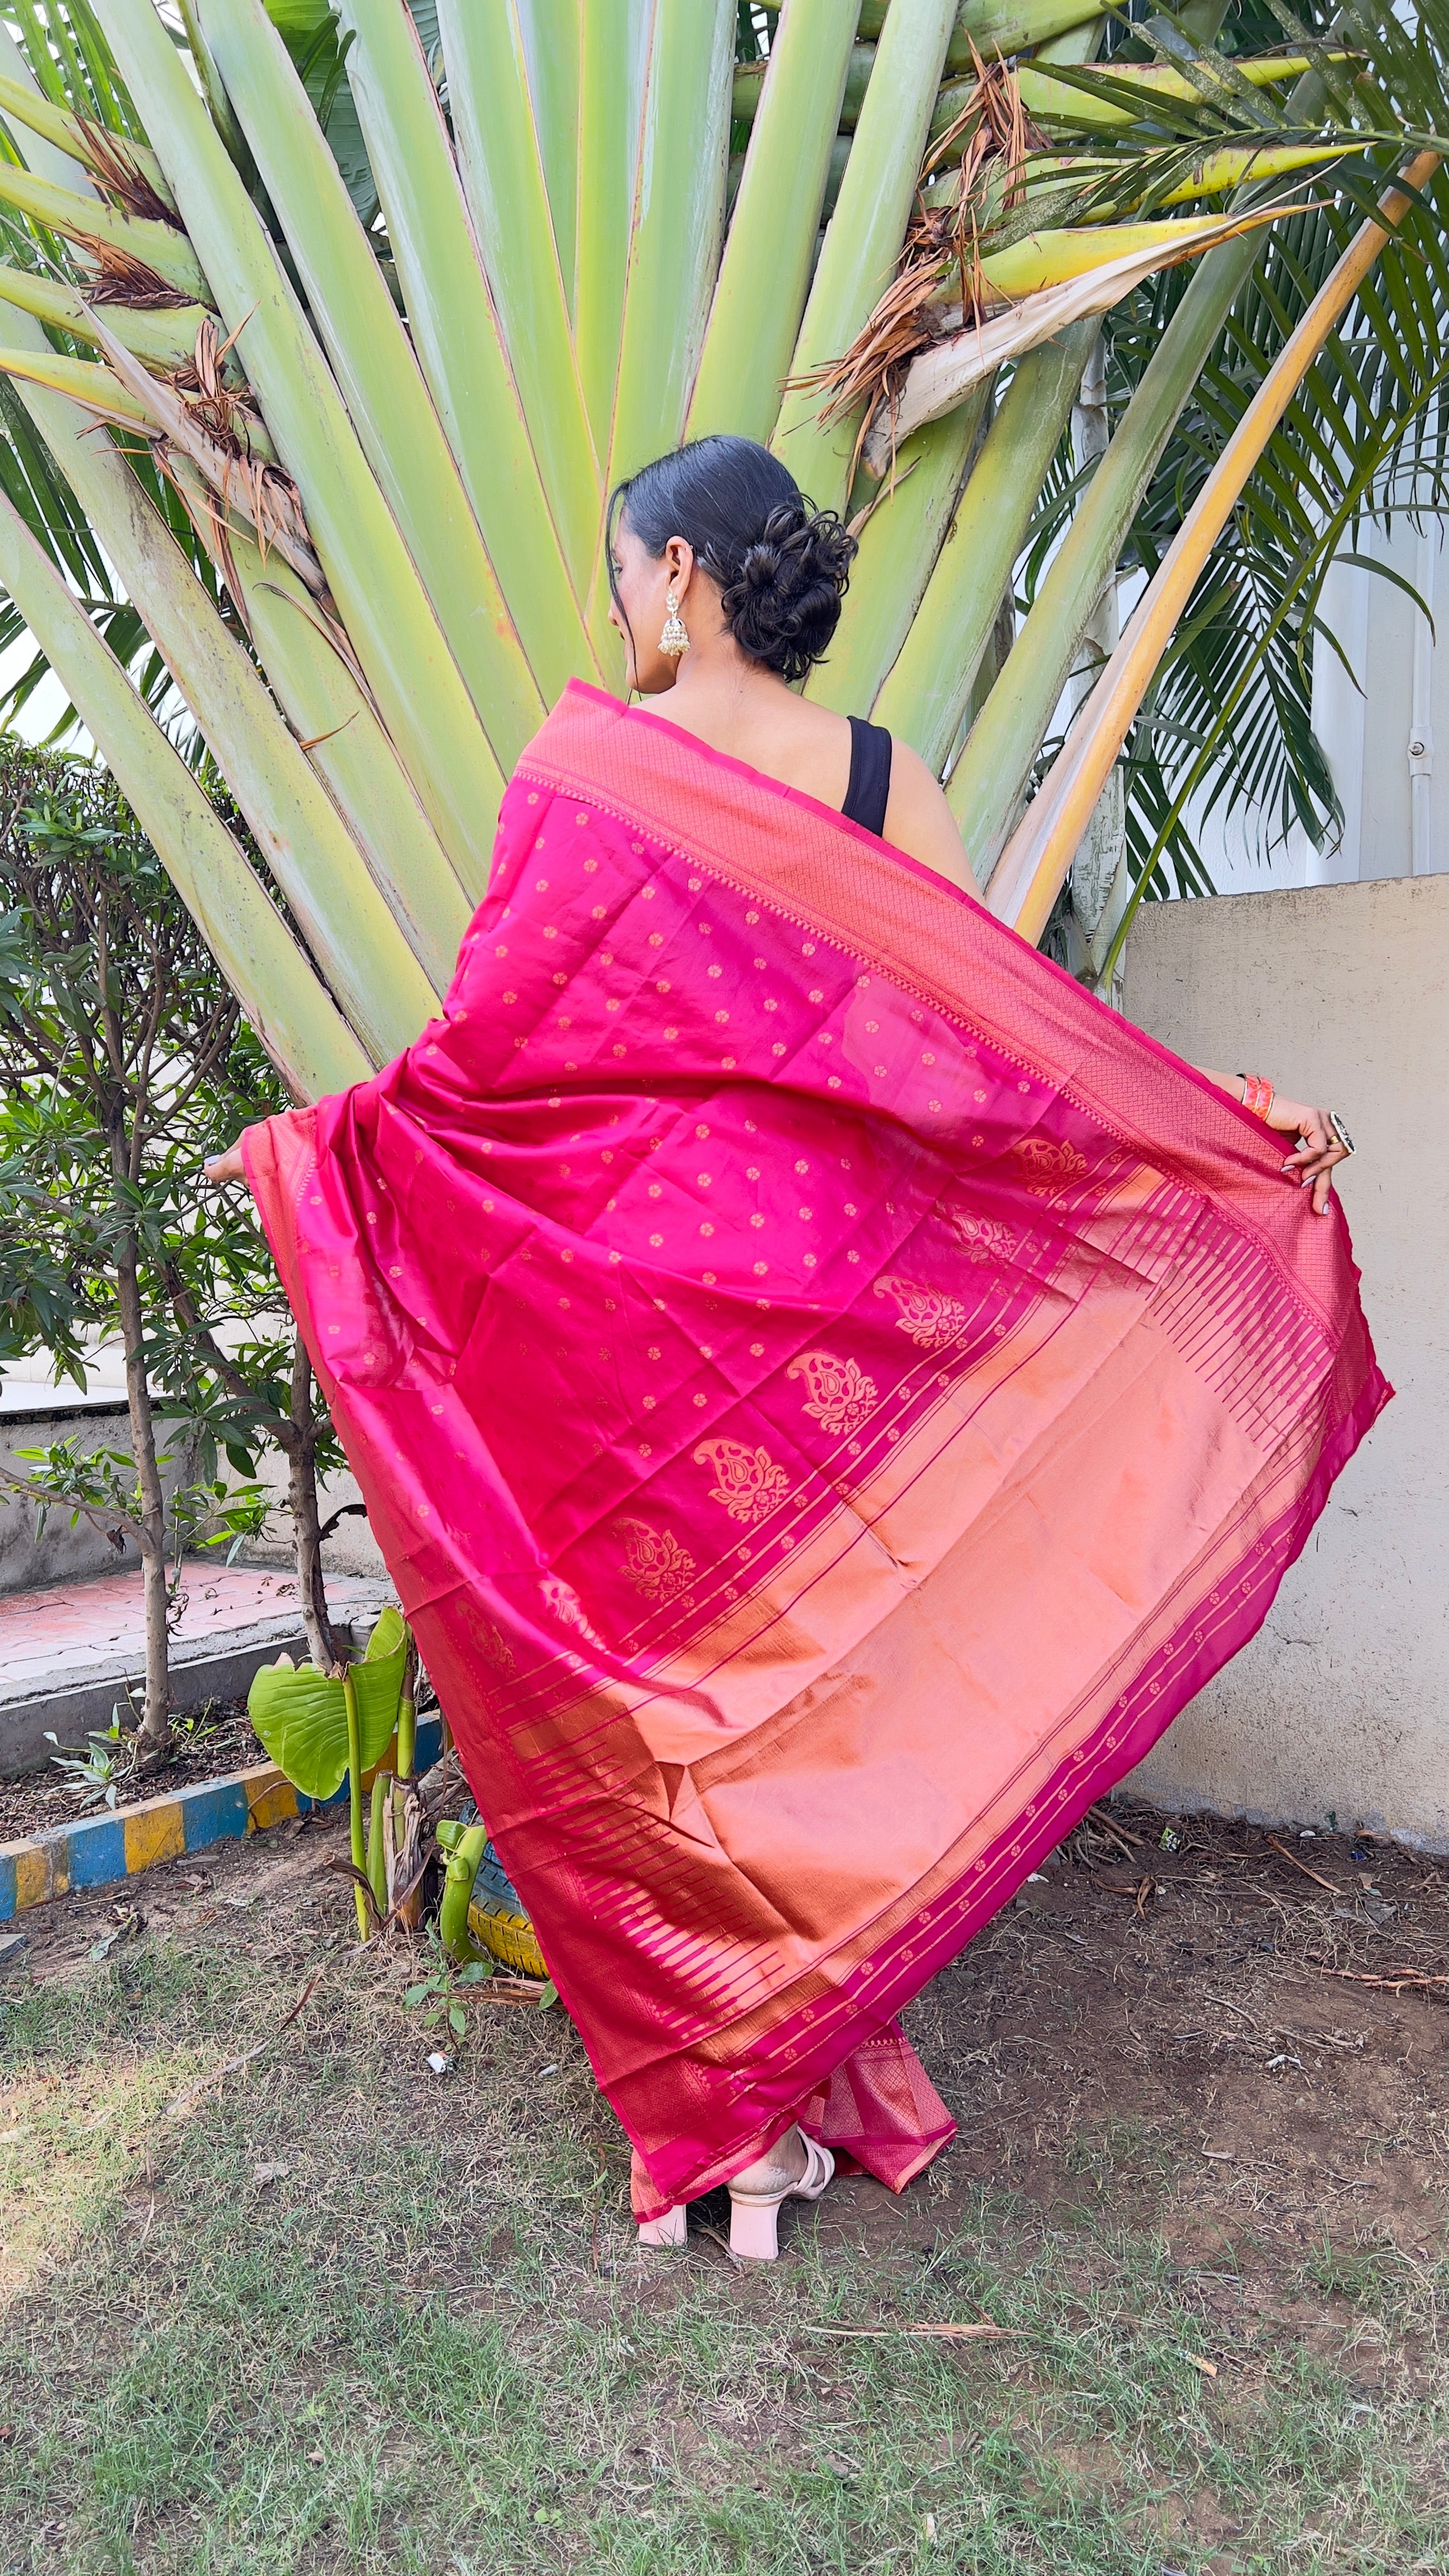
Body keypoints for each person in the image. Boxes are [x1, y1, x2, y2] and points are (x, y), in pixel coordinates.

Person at [208, 434, 1381, 2262]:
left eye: (621, 566)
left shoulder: (592, 776)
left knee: (677, 1699)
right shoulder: (880, 776)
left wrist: (329, 1154)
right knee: (808, 1691)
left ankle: (730, 2114)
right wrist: (1213, 1120)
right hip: (831, 1312)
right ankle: (781, 2082)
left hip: (637, 1318)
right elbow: (1012, 1042)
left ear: (677, 574)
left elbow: (487, 1062)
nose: (614, 599)